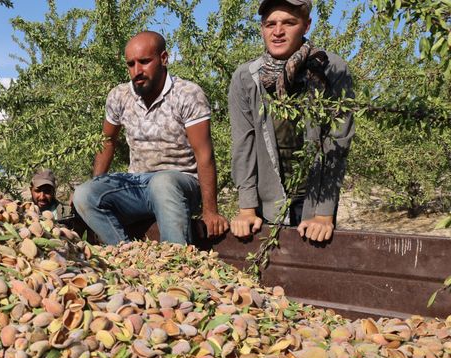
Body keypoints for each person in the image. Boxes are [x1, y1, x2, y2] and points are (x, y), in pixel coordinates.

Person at [73, 31, 228, 245]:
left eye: (144, 62)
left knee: (162, 182)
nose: (137, 71)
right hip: (137, 183)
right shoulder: (119, 96)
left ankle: (178, 265)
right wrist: (99, 182)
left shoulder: (188, 94)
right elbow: (107, 141)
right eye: (131, 64)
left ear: (163, 59)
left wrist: (210, 210)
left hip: (181, 183)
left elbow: (204, 153)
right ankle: (125, 255)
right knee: (84, 194)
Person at [229, 0, 354, 242]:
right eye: (270, 24)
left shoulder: (332, 69)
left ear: (306, 26)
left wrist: (324, 214)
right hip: (266, 203)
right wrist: (246, 209)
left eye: (289, 23)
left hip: (314, 201)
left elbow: (337, 143)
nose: (277, 32)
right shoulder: (246, 77)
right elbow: (243, 145)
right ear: (262, 28)